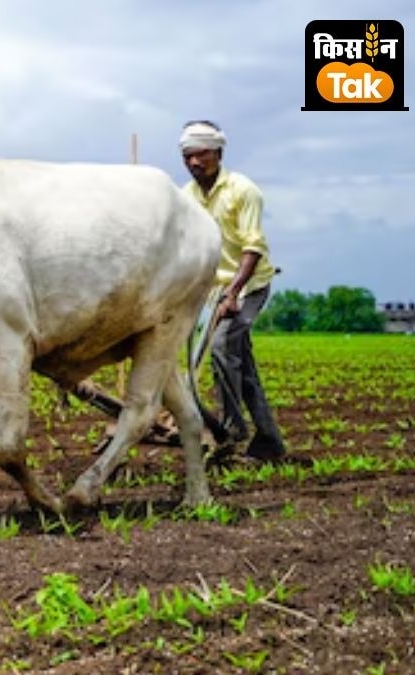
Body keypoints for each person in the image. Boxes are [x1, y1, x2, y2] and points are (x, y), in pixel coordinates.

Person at [179, 120, 287, 462]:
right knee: (242, 366)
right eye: (188, 156)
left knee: (223, 348)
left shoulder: (243, 190)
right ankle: (268, 441)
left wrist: (233, 294)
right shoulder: (186, 197)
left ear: (219, 153)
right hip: (214, 289)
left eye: (202, 154)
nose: (195, 162)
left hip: (250, 284)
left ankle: (231, 428)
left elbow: (252, 247)